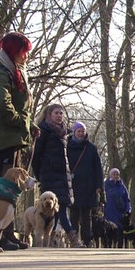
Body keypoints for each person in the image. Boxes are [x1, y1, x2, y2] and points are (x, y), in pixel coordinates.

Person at [0, 32, 39, 250]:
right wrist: (21, 123)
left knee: (11, 185)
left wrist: (30, 125)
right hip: (5, 135)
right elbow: (3, 104)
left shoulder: (13, 71)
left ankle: (7, 233)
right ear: (14, 51)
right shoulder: (0, 72)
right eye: (24, 52)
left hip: (14, 134)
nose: (26, 56)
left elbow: (19, 106)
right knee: (4, 184)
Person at [31, 104, 85, 248]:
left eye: (61, 113)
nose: (59, 115)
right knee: (57, 209)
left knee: (59, 208)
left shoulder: (64, 133)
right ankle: (73, 239)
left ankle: (53, 240)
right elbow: (36, 155)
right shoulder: (44, 130)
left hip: (62, 176)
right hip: (49, 174)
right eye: (56, 113)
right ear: (49, 114)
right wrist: (39, 174)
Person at [67, 121, 104, 247]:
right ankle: (74, 239)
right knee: (74, 214)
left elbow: (98, 168)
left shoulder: (91, 148)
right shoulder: (68, 146)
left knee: (87, 215)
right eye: (79, 131)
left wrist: (99, 185)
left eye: (83, 131)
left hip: (89, 185)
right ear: (74, 132)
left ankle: (87, 239)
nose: (82, 133)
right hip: (73, 185)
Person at [103, 168, 131, 248]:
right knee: (108, 235)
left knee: (119, 234)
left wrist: (128, 210)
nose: (116, 176)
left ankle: (120, 250)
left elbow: (127, 200)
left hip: (119, 214)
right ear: (110, 175)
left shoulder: (122, 187)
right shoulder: (105, 186)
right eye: (114, 174)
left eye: (117, 174)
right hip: (108, 214)